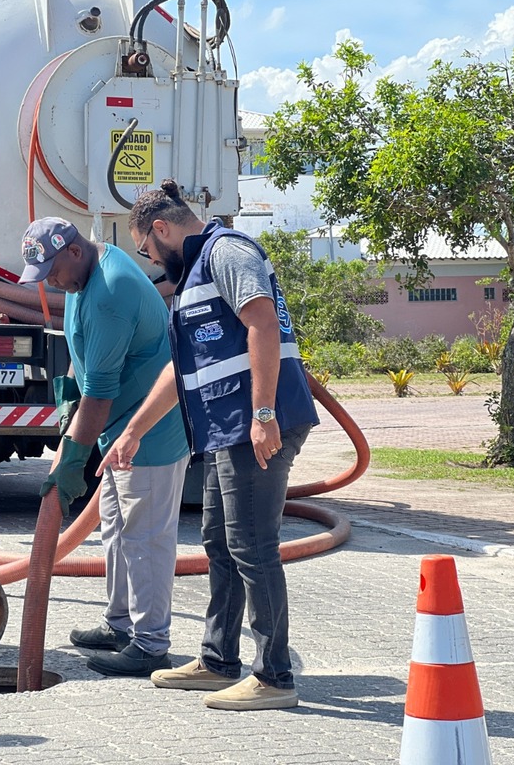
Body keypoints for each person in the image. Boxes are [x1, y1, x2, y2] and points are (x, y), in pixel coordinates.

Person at [100, 179, 319, 711]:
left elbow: (261, 321)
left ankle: (274, 676)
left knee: (253, 546)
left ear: (162, 228)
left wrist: (263, 414)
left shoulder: (228, 252)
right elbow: (181, 371)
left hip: (258, 424)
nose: (151, 260)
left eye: (147, 249)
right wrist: (134, 430)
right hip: (228, 429)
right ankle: (218, 661)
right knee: (219, 541)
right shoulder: (196, 272)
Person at [19, 217, 190, 677]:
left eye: (53, 272)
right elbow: (84, 353)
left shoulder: (111, 291)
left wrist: (72, 460)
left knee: (145, 538)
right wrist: (66, 397)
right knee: (115, 529)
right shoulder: (86, 274)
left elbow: (99, 395)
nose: (51, 283)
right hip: (121, 430)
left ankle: (150, 644)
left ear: (74, 251)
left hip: (150, 431)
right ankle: (120, 625)